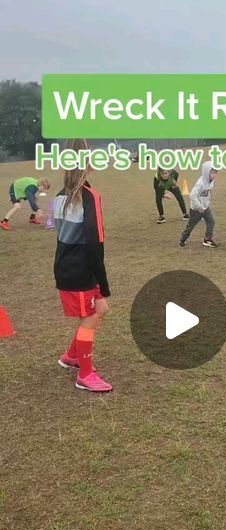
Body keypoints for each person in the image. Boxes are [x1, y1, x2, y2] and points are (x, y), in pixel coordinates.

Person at [54, 139, 112, 393]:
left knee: (101, 310)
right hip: (78, 270)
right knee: (89, 318)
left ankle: (71, 356)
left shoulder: (59, 195)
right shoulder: (89, 196)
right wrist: (103, 284)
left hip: (71, 266)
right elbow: (95, 243)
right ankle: (85, 375)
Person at [180, 161, 218, 248]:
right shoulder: (200, 183)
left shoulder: (211, 182)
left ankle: (207, 239)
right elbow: (192, 195)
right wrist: (198, 206)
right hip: (196, 210)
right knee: (191, 225)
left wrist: (206, 204)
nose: (214, 175)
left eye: (215, 173)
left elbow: (207, 194)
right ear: (206, 172)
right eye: (212, 173)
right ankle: (183, 239)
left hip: (205, 207)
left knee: (211, 221)